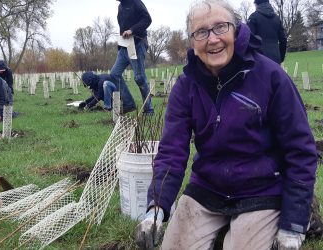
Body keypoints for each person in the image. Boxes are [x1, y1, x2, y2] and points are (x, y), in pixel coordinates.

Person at [134, 1, 317, 250]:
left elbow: (301, 150)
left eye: (221, 27)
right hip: (207, 187)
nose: (212, 40)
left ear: (236, 30)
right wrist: (156, 208)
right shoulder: (186, 86)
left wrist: (292, 225)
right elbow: (171, 151)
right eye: (201, 32)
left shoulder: (271, 77)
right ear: (192, 42)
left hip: (261, 190)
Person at [110, 0, 154, 114]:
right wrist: (120, 43)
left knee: (139, 78)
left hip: (137, 44)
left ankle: (148, 110)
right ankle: (129, 104)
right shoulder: (120, 6)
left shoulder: (136, 2)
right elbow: (122, 26)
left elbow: (147, 19)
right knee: (114, 74)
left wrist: (132, 30)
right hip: (124, 46)